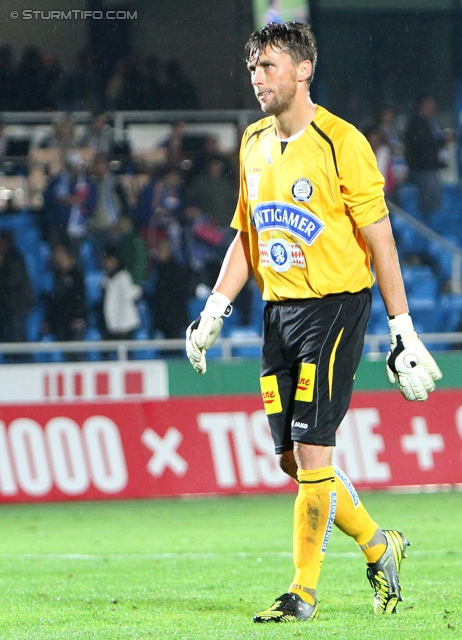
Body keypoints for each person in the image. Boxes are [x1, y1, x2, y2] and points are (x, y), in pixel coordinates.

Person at [185, 22, 442, 623]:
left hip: (335, 307)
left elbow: (381, 240)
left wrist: (402, 329)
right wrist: (215, 312)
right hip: (279, 312)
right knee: (293, 463)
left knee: (311, 448)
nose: (257, 78)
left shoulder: (342, 143)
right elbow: (245, 237)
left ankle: (302, 592)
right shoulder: (250, 142)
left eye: (269, 66)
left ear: (304, 71)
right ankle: (382, 545)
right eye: (252, 67)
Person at [404, 94, 450, 220]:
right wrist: (441, 141)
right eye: (429, 104)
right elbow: (420, 144)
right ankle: (426, 226)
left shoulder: (432, 122)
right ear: (421, 105)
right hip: (422, 168)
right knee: (428, 201)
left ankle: (432, 224)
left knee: (435, 200)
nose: (432, 107)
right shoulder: (415, 123)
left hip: (432, 167)